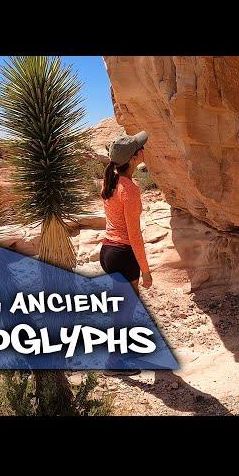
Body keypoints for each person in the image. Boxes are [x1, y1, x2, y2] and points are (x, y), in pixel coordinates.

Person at [99, 131, 152, 377]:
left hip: (108, 251)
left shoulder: (110, 182)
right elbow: (134, 235)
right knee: (125, 310)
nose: (143, 150)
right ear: (132, 159)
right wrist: (146, 270)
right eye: (139, 149)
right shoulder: (129, 189)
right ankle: (114, 362)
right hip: (123, 253)